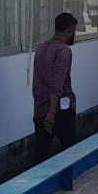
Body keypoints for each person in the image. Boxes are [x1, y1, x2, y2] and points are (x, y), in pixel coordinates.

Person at [33, 12, 77, 158]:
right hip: (59, 111)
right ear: (69, 30)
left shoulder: (40, 48)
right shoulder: (64, 51)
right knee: (71, 152)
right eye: (74, 31)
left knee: (41, 153)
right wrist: (51, 113)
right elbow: (57, 84)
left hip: (40, 109)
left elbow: (37, 82)